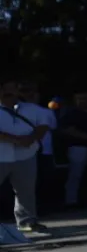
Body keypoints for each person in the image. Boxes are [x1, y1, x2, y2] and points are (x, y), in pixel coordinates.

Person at [0, 79, 51, 235]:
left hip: (26, 155)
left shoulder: (32, 108)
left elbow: (43, 125)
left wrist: (32, 138)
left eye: (12, 89)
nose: (9, 93)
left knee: (26, 190)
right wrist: (16, 140)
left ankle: (27, 221)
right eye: (5, 90)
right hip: (1, 156)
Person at [15, 83, 58, 214]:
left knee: (36, 181)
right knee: (32, 182)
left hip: (39, 150)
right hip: (31, 150)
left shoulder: (43, 111)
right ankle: (38, 209)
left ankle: (40, 208)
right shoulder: (14, 110)